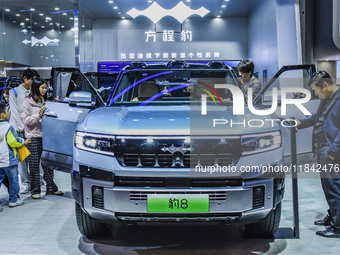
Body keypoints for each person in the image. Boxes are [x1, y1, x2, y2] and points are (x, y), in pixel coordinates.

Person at [297, 71, 340, 238]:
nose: (316, 93)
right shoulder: (327, 98)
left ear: (326, 85)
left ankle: (338, 228)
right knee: (328, 187)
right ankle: (333, 216)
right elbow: (318, 118)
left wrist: (332, 152)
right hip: (322, 149)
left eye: (317, 90)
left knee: (334, 188)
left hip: (331, 151)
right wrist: (301, 123)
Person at [20, 78, 63, 199]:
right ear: (35, 87)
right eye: (42, 87)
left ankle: (51, 188)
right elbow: (26, 120)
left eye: (46, 88)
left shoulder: (47, 101)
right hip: (33, 137)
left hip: (47, 137)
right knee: (34, 165)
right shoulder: (27, 103)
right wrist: (38, 115)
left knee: (49, 165)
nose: (44, 90)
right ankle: (35, 190)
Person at [9, 68, 40, 194]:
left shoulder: (35, 92)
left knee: (34, 158)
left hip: (32, 129)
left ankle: (36, 181)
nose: (33, 82)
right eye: (32, 79)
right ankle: (26, 183)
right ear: (25, 78)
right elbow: (15, 111)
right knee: (22, 158)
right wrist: (21, 127)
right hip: (19, 129)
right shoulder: (14, 92)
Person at [0, 103, 31, 211]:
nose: (8, 113)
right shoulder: (8, 127)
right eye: (7, 111)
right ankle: (13, 200)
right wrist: (23, 141)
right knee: (13, 180)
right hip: (9, 160)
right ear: (2, 115)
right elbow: (13, 141)